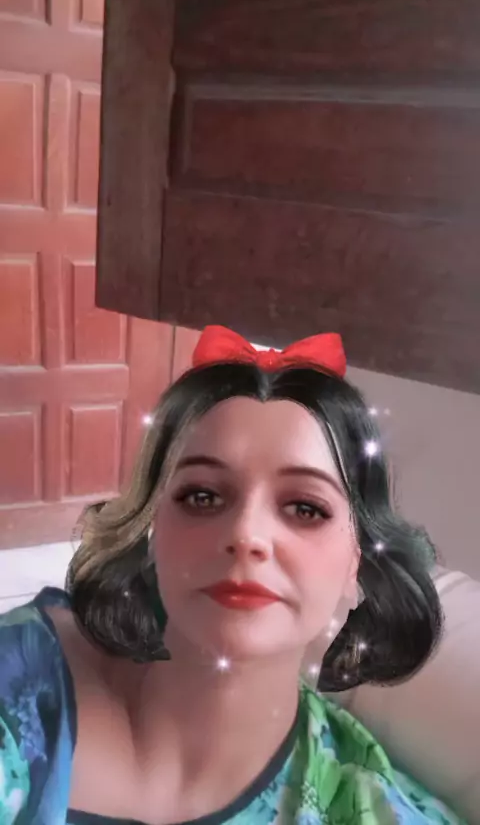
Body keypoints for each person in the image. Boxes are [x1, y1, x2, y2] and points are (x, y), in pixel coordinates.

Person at [0, 325, 466, 825]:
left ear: (359, 559)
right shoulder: (22, 676)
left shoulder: (365, 808)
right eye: (202, 496)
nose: (246, 534)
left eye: (305, 508)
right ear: (151, 529)